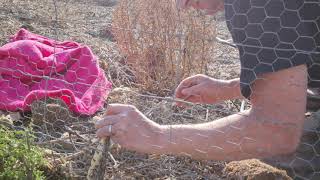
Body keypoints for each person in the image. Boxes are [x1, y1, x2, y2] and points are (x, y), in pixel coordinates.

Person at [96, 0, 320, 178]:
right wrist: (228, 88)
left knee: (272, 163)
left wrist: (157, 136)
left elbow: (276, 131)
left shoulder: (251, 5)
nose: (180, 5)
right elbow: (300, 67)